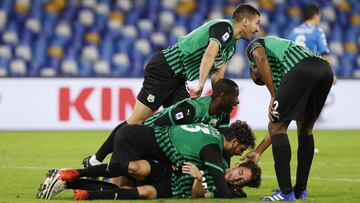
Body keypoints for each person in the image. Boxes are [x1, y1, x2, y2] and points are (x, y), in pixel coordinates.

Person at [95, 3, 260, 156]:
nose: (258, 29)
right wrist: (201, 84)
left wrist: (217, 100)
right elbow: (209, 53)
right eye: (256, 23)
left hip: (179, 78)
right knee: (136, 121)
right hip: (165, 68)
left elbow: (218, 77)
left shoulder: (231, 46)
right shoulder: (225, 27)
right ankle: (98, 159)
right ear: (245, 21)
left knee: (179, 124)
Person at [38, 121, 257, 199]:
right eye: (242, 149)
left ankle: (71, 182)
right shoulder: (213, 152)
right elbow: (222, 189)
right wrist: (238, 194)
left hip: (149, 148)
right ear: (235, 140)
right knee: (120, 183)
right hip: (137, 142)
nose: (240, 153)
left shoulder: (213, 134)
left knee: (139, 190)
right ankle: (71, 176)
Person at [245, 36, 333, 201]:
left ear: (253, 67)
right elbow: (277, 126)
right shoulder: (280, 73)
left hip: (302, 68)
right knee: (305, 129)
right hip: (325, 69)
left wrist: (273, 95)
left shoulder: (255, 46)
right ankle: (300, 190)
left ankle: (285, 193)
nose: (262, 81)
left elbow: (260, 57)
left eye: (259, 78)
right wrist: (258, 151)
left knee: (278, 127)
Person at [84, 78, 239, 167]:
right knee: (121, 177)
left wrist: (226, 170)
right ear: (222, 96)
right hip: (146, 135)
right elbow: (159, 125)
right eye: (234, 97)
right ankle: (94, 164)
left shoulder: (223, 115)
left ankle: (96, 162)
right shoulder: (192, 109)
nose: (237, 101)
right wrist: (173, 158)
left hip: (165, 143)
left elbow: (223, 146)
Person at [37, 160, 261, 200]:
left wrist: (197, 179)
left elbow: (199, 196)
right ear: (236, 166)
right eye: (239, 174)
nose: (235, 179)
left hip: (169, 189)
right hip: (165, 169)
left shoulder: (224, 190)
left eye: (240, 182)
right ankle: (74, 173)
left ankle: (81, 192)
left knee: (144, 193)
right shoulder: (216, 159)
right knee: (134, 167)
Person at [288, 4, 336, 84]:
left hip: (295, 74)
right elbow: (325, 54)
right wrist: (332, 75)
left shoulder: (293, 32)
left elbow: (288, 53)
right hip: (312, 72)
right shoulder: (317, 31)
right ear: (315, 16)